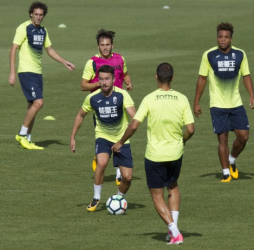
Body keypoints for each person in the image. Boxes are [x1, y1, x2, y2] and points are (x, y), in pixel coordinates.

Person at [112, 63, 195, 245]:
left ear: (156, 77)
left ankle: (175, 232)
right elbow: (190, 128)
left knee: (157, 196)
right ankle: (172, 229)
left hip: (155, 155)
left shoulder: (149, 99)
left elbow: (134, 124)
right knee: (173, 187)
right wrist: (183, 140)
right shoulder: (181, 99)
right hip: (176, 153)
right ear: (172, 77)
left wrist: (120, 142)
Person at [193, 22, 254, 182]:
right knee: (223, 139)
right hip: (217, 105)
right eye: (220, 37)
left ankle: (232, 160)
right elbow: (202, 78)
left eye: (226, 37)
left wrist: (251, 95)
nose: (223, 40)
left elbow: (246, 76)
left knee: (244, 137)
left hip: (236, 103)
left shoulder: (240, 54)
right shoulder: (209, 55)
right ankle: (226, 173)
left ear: (231, 39)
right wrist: (196, 102)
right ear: (217, 38)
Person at [9, 1, 75, 150]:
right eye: (36, 14)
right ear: (31, 14)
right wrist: (12, 71)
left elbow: (49, 50)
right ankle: (21, 134)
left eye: (41, 15)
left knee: (32, 106)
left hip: (37, 73)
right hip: (26, 71)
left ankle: (28, 139)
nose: (38, 17)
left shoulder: (43, 31)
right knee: (39, 103)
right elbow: (13, 49)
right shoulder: (24, 28)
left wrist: (64, 62)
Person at [70, 65, 136, 212]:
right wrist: (73, 137)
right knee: (102, 163)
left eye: (107, 79)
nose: (104, 82)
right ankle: (96, 197)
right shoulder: (92, 98)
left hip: (121, 138)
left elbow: (134, 116)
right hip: (103, 136)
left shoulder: (122, 95)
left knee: (127, 177)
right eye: (101, 79)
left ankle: (118, 198)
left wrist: (128, 133)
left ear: (113, 79)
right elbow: (80, 115)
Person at [81, 29, 133, 185]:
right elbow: (83, 85)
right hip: (101, 105)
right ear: (98, 46)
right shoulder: (92, 62)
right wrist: (103, 83)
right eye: (102, 45)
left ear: (112, 45)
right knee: (105, 135)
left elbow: (125, 74)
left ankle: (118, 172)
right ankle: (99, 155)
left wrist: (128, 82)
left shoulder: (120, 59)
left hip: (119, 101)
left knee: (121, 134)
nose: (105, 48)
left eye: (108, 45)